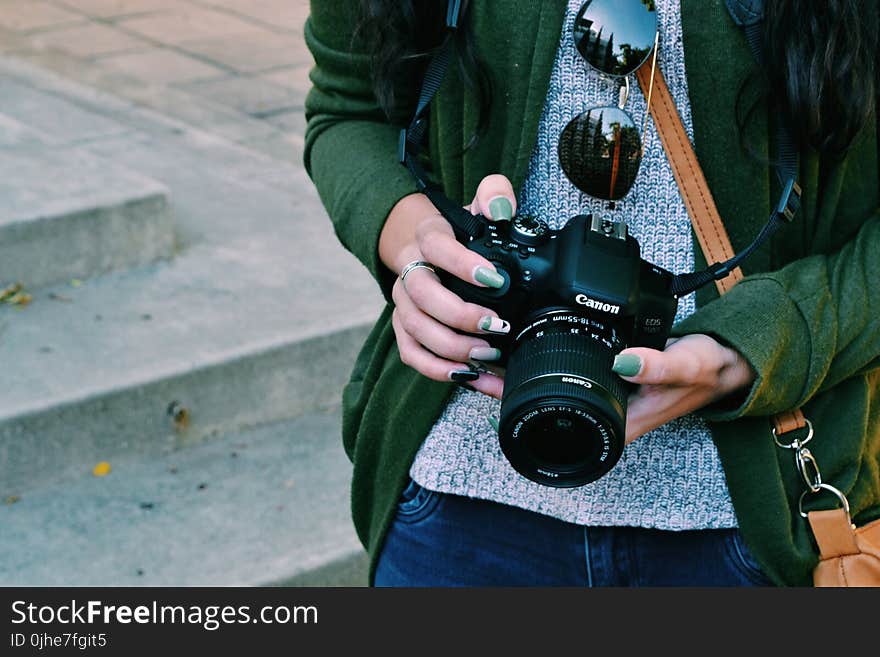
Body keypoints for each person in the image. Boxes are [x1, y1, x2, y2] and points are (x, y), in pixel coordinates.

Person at [303, 0, 879, 586]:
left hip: (752, 522)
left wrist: (760, 342)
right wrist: (416, 245)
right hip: (454, 504)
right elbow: (348, 108)